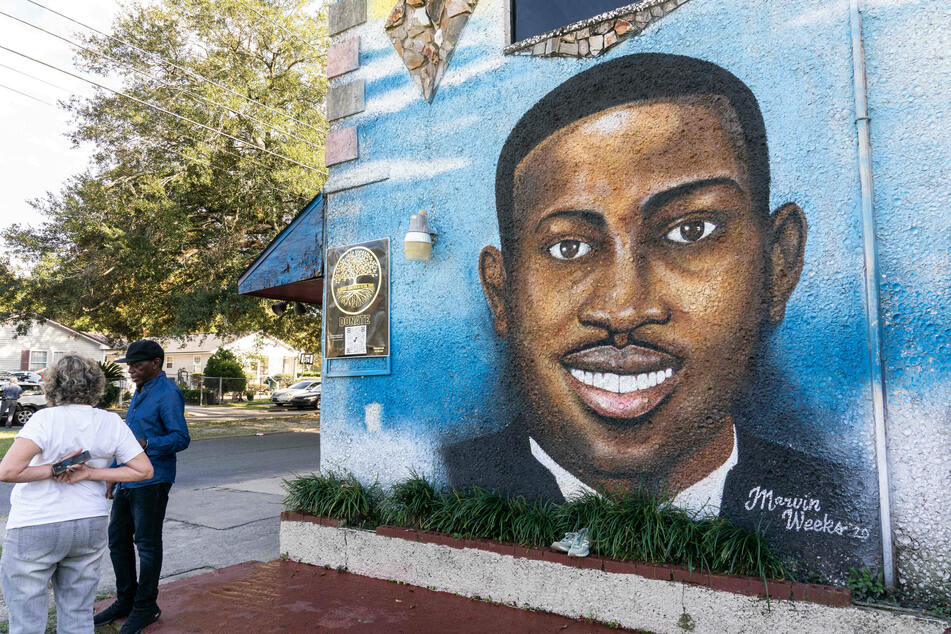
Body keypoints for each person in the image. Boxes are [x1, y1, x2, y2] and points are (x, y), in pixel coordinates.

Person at [442, 53, 878, 576]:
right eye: (568, 249)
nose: (623, 308)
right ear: (502, 293)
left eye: (690, 232)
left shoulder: (854, 510)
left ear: (777, 264)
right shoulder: (439, 483)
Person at [0, 355, 153, 634]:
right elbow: (143, 470)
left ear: (53, 385)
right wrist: (91, 472)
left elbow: (8, 470)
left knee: (26, 619)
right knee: (78, 614)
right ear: (96, 385)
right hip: (88, 522)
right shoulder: (110, 422)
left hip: (36, 524)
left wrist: (55, 469)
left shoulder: (44, 419)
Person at [94, 340, 190, 633]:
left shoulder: (168, 393)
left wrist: (148, 443)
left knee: (146, 545)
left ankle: (146, 606)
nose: (131, 370)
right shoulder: (140, 390)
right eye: (129, 365)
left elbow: (181, 438)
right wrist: (114, 473)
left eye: (136, 364)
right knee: (117, 540)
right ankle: (126, 600)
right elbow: (128, 440)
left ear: (156, 363)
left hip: (153, 479)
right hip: (128, 478)